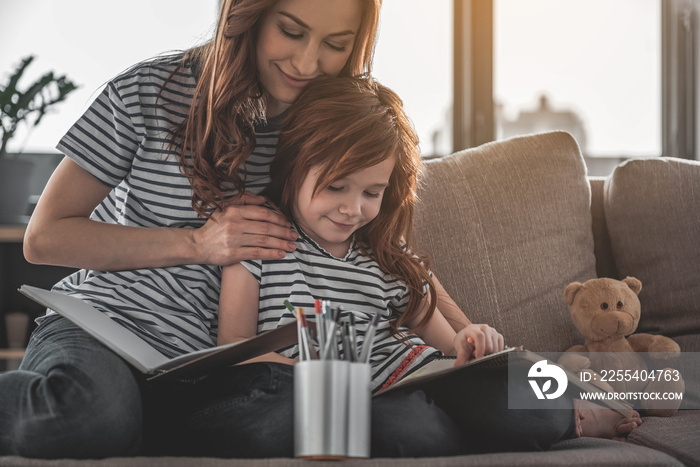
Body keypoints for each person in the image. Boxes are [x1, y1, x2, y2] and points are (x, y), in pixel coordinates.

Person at [0, 0, 386, 459]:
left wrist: (467, 337)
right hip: (106, 328)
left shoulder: (336, 128)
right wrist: (198, 243)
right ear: (248, 16)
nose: (306, 63)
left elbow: (392, 251)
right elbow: (44, 238)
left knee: (312, 418)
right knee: (90, 417)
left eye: (335, 45)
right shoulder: (147, 91)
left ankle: (144, 426)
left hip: (223, 369)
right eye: (290, 31)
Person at [217, 75, 643, 456]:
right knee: (411, 429)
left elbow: (448, 347)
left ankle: (574, 414)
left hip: (425, 380)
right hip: (366, 403)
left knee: (536, 410)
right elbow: (232, 348)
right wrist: (321, 378)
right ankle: (497, 428)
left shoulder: (384, 255)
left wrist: (472, 340)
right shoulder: (258, 240)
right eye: (336, 186)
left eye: (372, 192)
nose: (352, 209)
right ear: (294, 163)